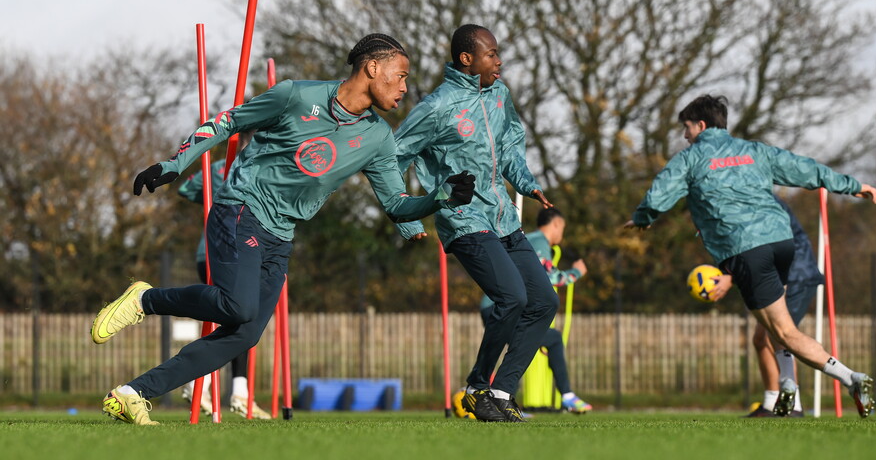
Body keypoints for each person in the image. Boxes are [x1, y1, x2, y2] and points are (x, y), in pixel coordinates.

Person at [91, 34, 475, 425]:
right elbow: (228, 121)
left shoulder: (378, 138)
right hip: (241, 207)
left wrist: (441, 197)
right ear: (372, 68)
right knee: (238, 306)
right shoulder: (295, 96)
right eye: (402, 75)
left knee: (244, 333)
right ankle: (145, 300)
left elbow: (397, 204)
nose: (406, 88)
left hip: (282, 234)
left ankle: (132, 393)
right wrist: (174, 165)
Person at [625, 94, 876, 418]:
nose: (684, 136)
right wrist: (852, 185)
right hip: (782, 242)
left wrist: (643, 218)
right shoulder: (753, 150)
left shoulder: (691, 158)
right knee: (771, 326)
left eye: (686, 128)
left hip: (746, 250)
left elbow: (661, 191)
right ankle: (787, 385)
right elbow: (802, 168)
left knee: (784, 331)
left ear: (701, 125)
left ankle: (851, 378)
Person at [393, 24, 558, 423]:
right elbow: (393, 156)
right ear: (467, 59)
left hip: (502, 215)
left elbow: (511, 147)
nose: (499, 61)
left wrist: (528, 184)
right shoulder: (437, 106)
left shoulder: (499, 95)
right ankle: (475, 389)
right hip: (462, 218)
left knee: (544, 302)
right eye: (492, 54)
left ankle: (499, 393)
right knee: (513, 298)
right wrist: (406, 214)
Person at [176, 128, 270, 419]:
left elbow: (187, 189)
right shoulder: (259, 167)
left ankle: (234, 391)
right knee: (234, 317)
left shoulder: (217, 169)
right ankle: (202, 385)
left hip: (214, 251)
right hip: (231, 250)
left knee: (237, 318)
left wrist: (211, 198)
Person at [710, 195, 824, 417]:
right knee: (762, 339)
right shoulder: (745, 201)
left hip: (796, 276)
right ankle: (772, 403)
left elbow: (764, 247)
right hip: (782, 275)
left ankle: (794, 406)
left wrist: (730, 277)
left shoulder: (761, 202)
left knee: (782, 336)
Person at [479, 207, 592, 414]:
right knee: (553, 339)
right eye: (563, 228)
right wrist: (576, 272)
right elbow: (549, 278)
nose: (562, 233)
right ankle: (566, 396)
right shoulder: (539, 242)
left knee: (527, 346)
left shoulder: (528, 239)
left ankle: (498, 396)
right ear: (556, 223)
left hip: (496, 305)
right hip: (503, 306)